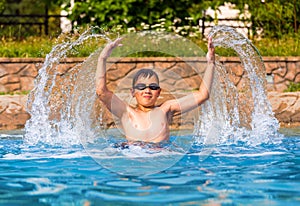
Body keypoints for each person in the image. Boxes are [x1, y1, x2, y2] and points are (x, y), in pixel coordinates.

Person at [96, 37, 215, 143]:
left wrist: (211, 63)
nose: (147, 90)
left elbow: (203, 95)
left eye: (153, 87)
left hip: (161, 156)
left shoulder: (166, 109)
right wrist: (102, 58)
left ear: (159, 92)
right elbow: (101, 92)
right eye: (141, 86)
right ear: (133, 92)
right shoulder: (126, 112)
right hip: (134, 156)